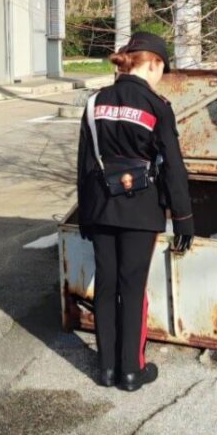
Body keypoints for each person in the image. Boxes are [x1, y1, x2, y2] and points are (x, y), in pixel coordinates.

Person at [76, 31, 195, 392]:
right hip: (140, 210)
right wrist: (184, 217)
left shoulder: (94, 102)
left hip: (100, 205)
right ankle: (131, 370)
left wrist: (85, 213)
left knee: (107, 285)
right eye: (163, 69)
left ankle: (106, 369)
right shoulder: (157, 106)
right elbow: (173, 165)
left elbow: (84, 162)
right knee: (132, 287)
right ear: (153, 64)